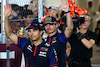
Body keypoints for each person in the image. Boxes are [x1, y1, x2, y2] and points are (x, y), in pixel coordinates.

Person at [4, 3, 58, 67]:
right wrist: (6, 17)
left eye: (34, 30)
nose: (31, 33)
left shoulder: (49, 49)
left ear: (41, 32)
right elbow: (9, 34)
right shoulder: (25, 44)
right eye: (29, 31)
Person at [43, 0, 73, 67]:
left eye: (51, 24)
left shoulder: (61, 37)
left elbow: (70, 28)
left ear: (57, 25)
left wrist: (67, 12)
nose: (48, 27)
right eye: (46, 25)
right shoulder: (43, 39)